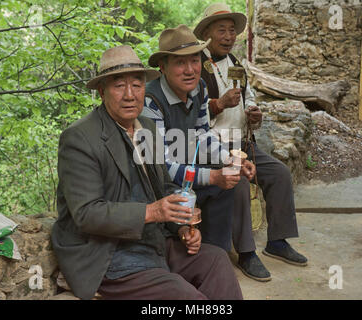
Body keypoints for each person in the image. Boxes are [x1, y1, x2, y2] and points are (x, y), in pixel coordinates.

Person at [51, 45, 243, 300]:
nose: (130, 95)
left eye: (137, 85)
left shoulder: (147, 128)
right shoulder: (79, 138)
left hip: (151, 242)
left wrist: (181, 227)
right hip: (108, 254)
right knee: (186, 298)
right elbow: (87, 214)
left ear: (144, 88)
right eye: (119, 86)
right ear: (102, 91)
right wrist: (153, 212)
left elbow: (163, 187)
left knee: (217, 261)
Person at [141, 25, 273, 281]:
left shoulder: (200, 88)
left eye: (194, 60)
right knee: (217, 183)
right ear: (163, 67)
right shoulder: (150, 101)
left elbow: (203, 134)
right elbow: (159, 164)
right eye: (180, 63)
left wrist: (229, 160)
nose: (190, 69)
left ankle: (217, 258)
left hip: (188, 172)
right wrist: (213, 177)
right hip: (160, 185)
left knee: (234, 184)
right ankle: (195, 264)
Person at [193, 3, 308, 280]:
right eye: (221, 30)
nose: (229, 36)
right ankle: (246, 252)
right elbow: (190, 112)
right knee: (240, 182)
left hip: (241, 145)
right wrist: (218, 104)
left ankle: (277, 241)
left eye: (232, 31)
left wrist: (252, 113)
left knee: (279, 173)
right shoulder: (194, 64)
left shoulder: (236, 64)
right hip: (210, 148)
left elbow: (249, 98)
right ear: (207, 33)